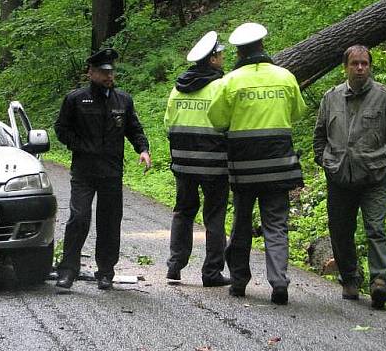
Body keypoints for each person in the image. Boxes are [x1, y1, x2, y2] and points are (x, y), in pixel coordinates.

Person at [207, 23, 306, 304]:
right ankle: (279, 284)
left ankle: (239, 281)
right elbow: (297, 112)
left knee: (241, 224)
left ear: (238, 51)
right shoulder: (285, 77)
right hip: (279, 166)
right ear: (263, 45)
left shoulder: (230, 81)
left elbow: (217, 121)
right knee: (276, 224)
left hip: (244, 168)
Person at [313, 45, 386, 309]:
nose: (360, 68)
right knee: (341, 231)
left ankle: (379, 282)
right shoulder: (331, 98)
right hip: (339, 177)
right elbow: (320, 136)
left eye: (365, 63)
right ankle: (350, 278)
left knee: (376, 228)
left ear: (371, 66)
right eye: (355, 64)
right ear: (346, 67)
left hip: (373, 178)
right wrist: (326, 162)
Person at [54, 48, 152, 292]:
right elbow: (61, 129)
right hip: (84, 171)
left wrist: (143, 149)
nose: (109, 76)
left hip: (111, 171)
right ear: (91, 73)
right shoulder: (76, 99)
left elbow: (134, 128)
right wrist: (80, 146)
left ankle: (106, 272)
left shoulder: (123, 100)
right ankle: (68, 270)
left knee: (109, 222)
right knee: (79, 218)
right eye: (103, 72)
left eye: (111, 72)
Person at [164, 31, 231, 287]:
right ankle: (211, 273)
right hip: (214, 164)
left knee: (183, 212)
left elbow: (168, 124)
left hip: (182, 164)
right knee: (214, 216)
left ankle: (174, 266)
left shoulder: (177, 88)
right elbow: (228, 123)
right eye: (221, 54)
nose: (223, 58)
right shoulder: (220, 87)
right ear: (212, 60)